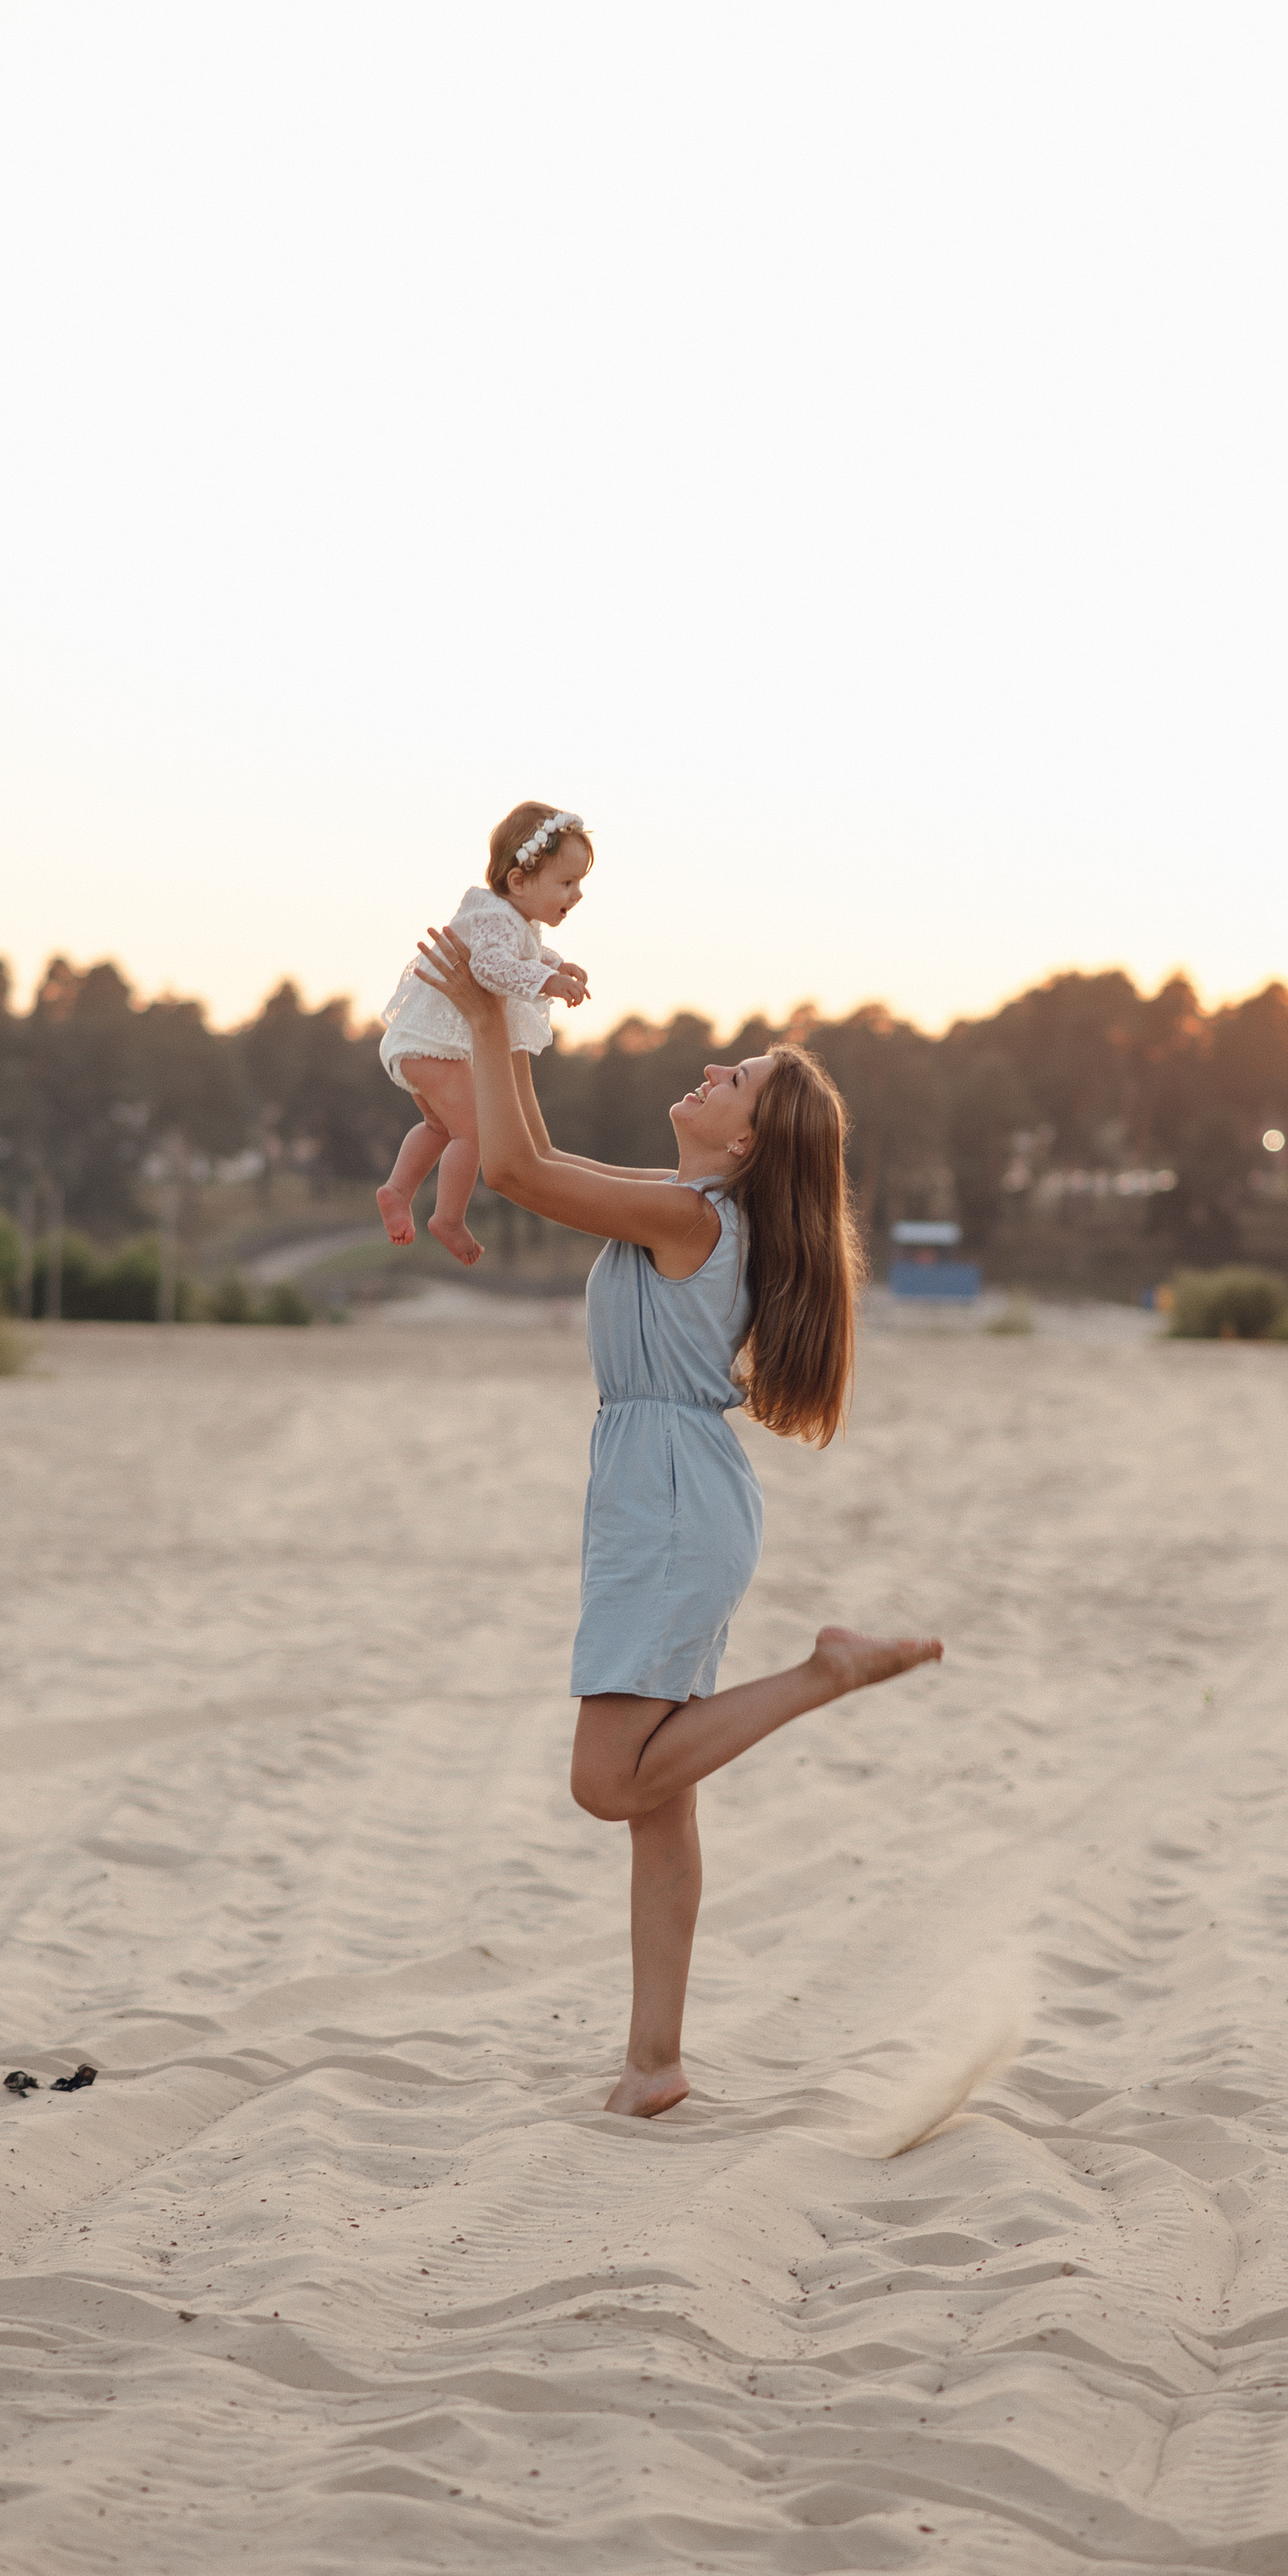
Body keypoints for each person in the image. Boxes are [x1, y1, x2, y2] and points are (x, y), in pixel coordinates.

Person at [412, 923, 943, 2119]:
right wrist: (505, 1012)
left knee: (611, 1783)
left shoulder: (694, 1222)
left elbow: (519, 1177)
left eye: (735, 1079)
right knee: (663, 1798)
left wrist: (495, 1016)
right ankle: (655, 2062)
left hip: (666, 1497)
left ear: (746, 1140)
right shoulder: (685, 1203)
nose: (710, 1072)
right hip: (672, 1489)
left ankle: (824, 1673)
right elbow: (530, 1147)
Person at [375, 803, 593, 1265]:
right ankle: (447, 1218)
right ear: (518, 881)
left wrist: (554, 964)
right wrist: (547, 980)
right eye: (567, 882)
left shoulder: (507, 919)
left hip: (425, 1045)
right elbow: (493, 966)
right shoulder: (496, 918)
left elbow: (521, 951)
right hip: (435, 1045)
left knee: (441, 1126)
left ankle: (397, 1191)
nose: (576, 895)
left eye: (580, 884)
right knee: (474, 1133)